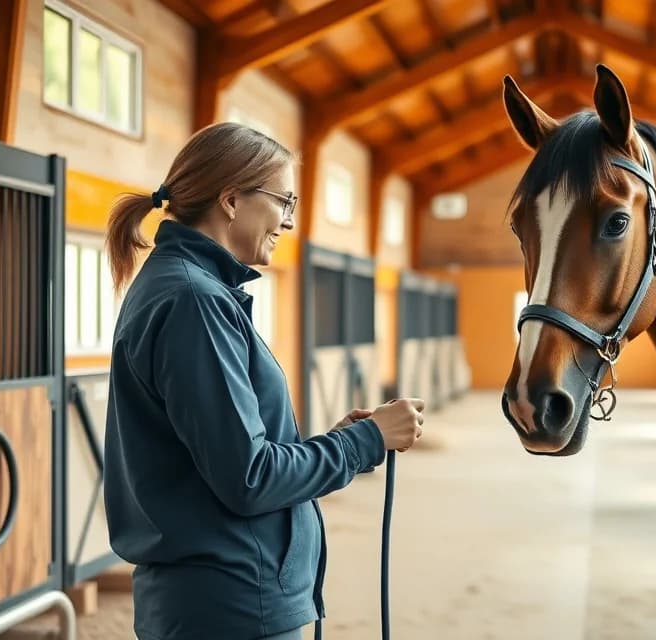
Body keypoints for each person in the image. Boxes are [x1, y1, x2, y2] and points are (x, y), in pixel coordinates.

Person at [101, 122, 424, 640]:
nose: (289, 221)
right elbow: (249, 477)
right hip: (231, 608)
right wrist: (365, 440)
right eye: (284, 201)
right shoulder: (195, 302)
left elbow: (233, 456)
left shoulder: (188, 288)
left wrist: (340, 440)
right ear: (231, 200)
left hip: (220, 601)